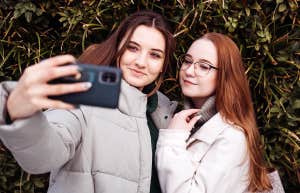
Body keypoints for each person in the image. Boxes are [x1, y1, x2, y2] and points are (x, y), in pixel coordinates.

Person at [0, 10, 176, 193]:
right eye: (133, 48)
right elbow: (42, 156)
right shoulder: (83, 98)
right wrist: (21, 115)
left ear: (163, 64)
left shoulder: (164, 113)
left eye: (155, 55)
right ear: (118, 48)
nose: (141, 62)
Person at [154, 32, 274, 193]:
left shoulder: (231, 137)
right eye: (188, 61)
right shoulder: (181, 118)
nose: (189, 71)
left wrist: (173, 138)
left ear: (225, 76)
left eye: (204, 66)